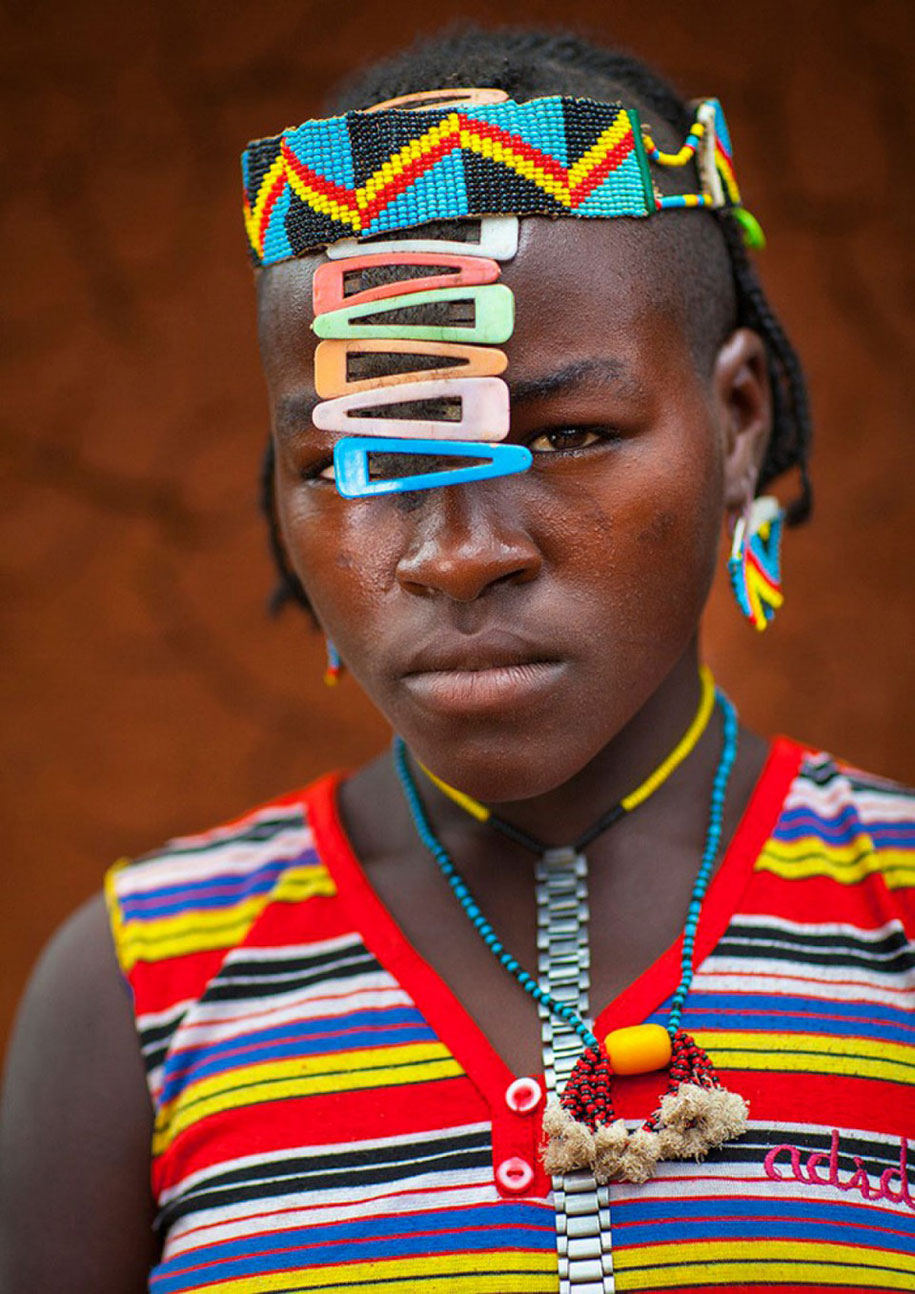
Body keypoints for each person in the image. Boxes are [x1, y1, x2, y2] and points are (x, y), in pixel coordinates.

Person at [1, 24, 913, 1294]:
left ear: (739, 421)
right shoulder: (137, 993)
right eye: (355, 464)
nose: (457, 554)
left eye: (566, 434)